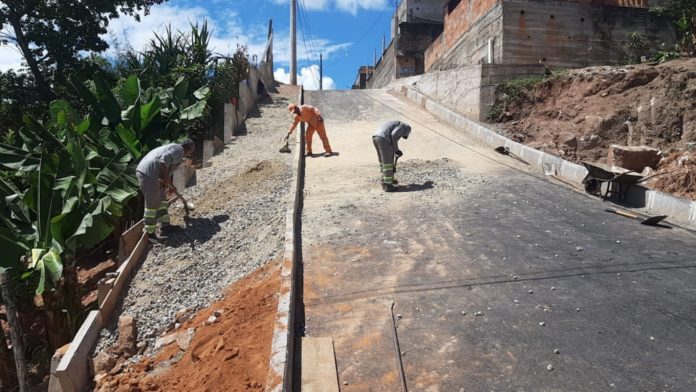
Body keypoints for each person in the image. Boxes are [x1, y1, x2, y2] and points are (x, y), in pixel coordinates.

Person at [136, 140, 195, 238]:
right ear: (188, 149)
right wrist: (167, 179)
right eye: (190, 152)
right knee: (152, 205)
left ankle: (165, 227)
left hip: (151, 174)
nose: (189, 155)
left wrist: (171, 185)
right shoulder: (179, 150)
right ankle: (149, 233)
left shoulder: (174, 149)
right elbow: (163, 161)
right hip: (149, 175)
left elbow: (166, 170)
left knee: (162, 201)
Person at [372, 121, 411, 192]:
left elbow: (392, 139)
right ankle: (388, 185)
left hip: (376, 137)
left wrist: (394, 150)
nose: (402, 136)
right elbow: (394, 135)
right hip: (384, 139)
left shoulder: (395, 124)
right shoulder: (403, 126)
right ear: (407, 131)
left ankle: (386, 179)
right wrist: (397, 150)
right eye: (403, 135)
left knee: (383, 161)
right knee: (388, 163)